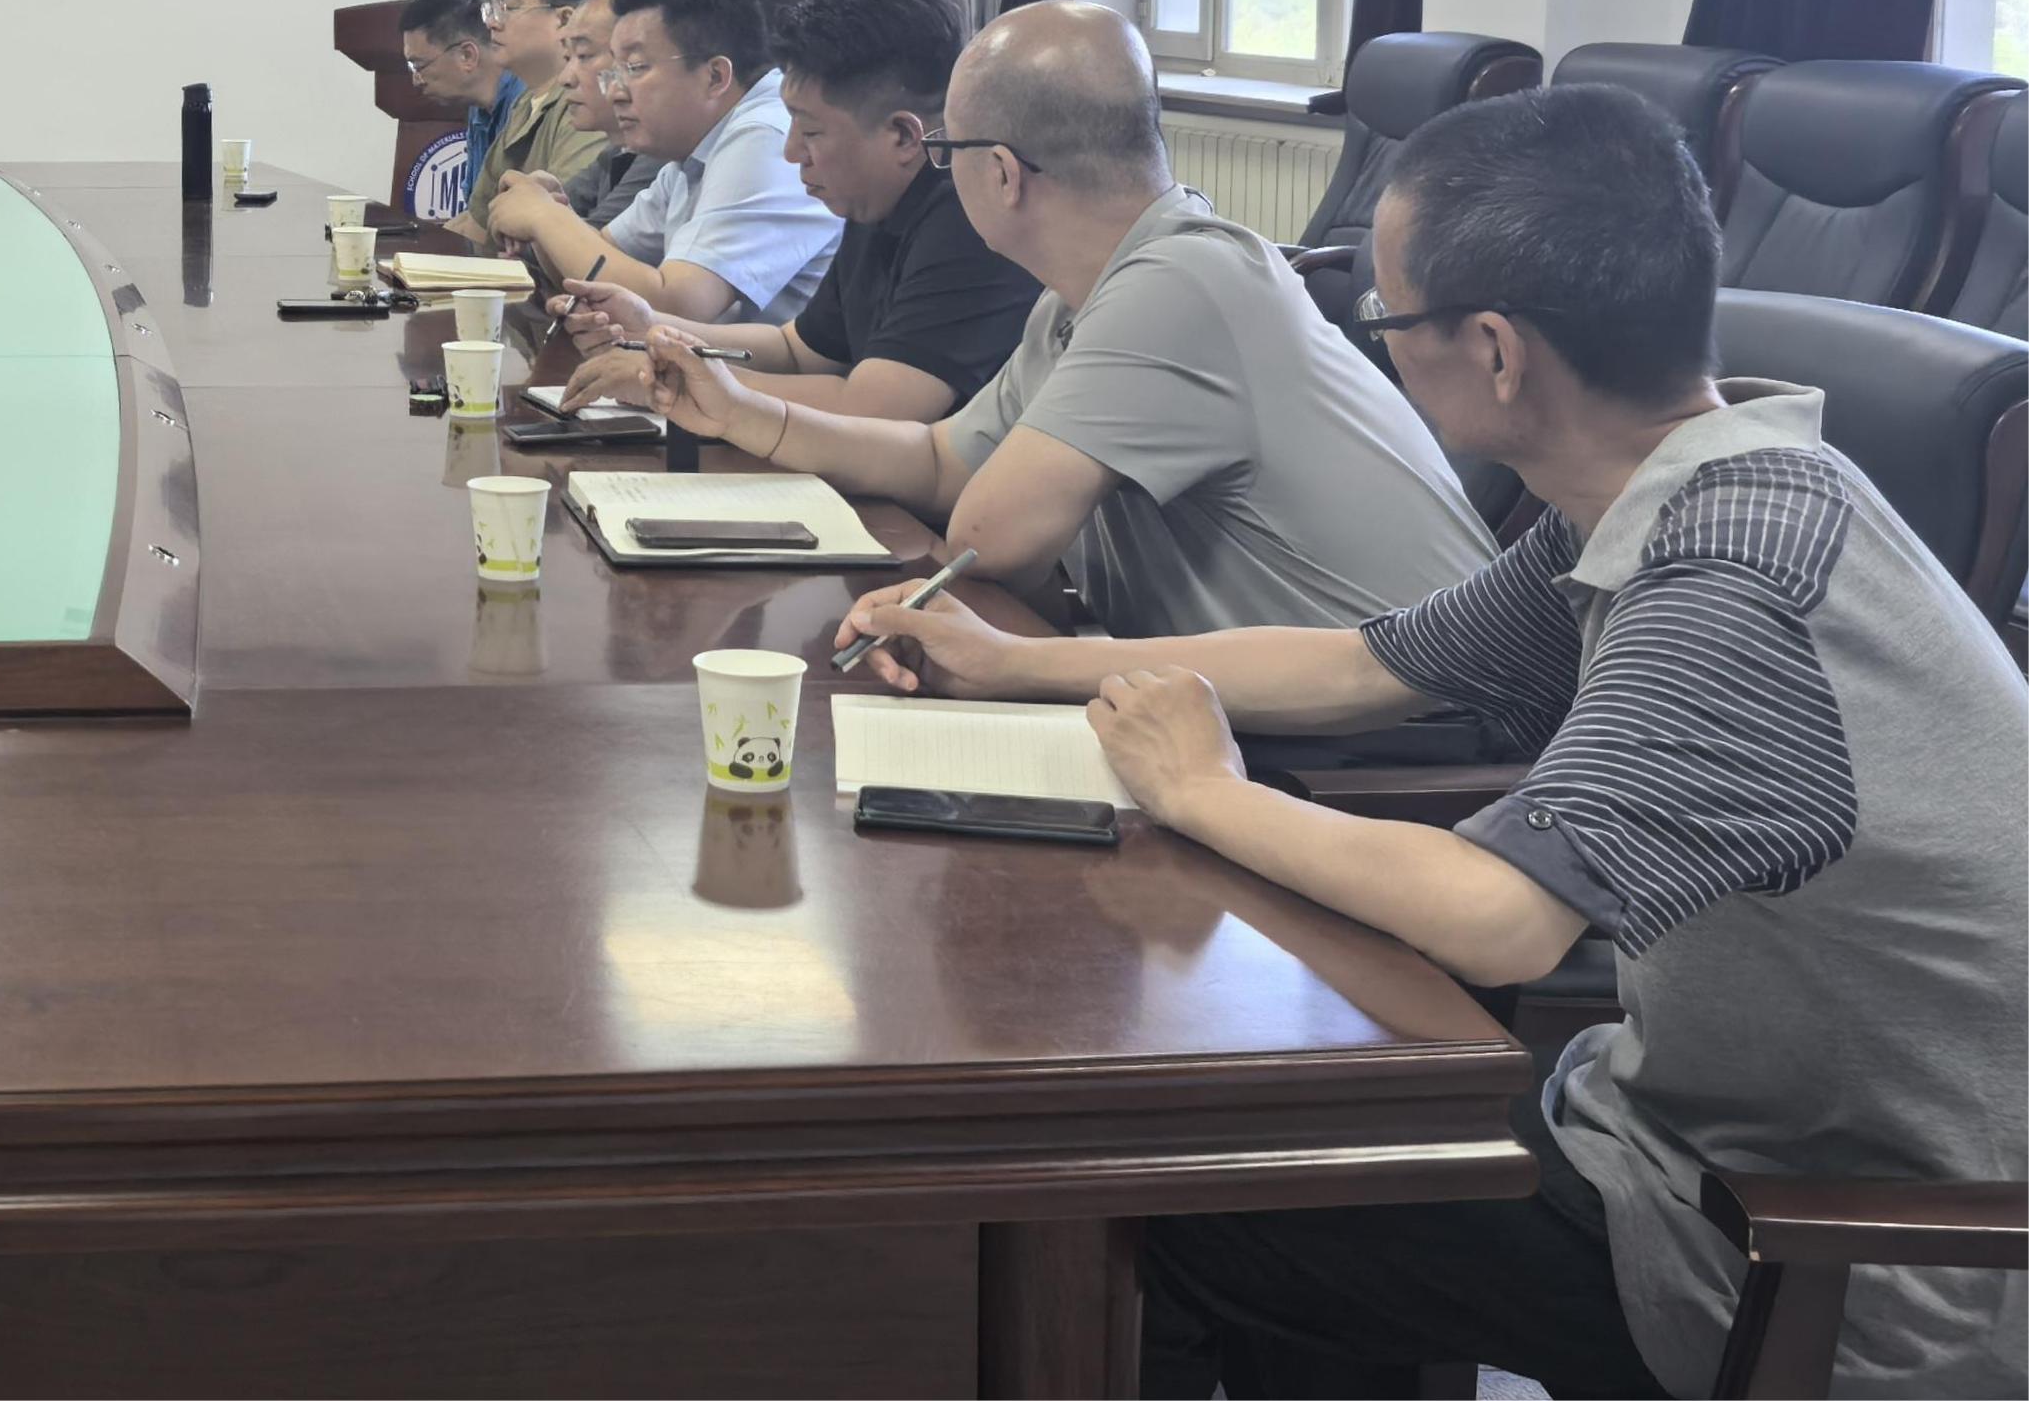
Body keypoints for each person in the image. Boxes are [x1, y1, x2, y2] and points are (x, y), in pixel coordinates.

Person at [836, 85, 2027, 1399]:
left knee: (1158, 1195)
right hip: (1682, 1131)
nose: (1383, 349)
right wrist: (1011, 663)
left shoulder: (1728, 584)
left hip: (1834, 1261)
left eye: (1390, 321)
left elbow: (1499, 920)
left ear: (1496, 351)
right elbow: (1368, 661)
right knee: (1264, 1139)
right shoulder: (1692, 488)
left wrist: (1203, 789)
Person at [637, 0, 1489, 638]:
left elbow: (987, 535)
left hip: (1392, 740)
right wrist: (743, 413)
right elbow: (940, 460)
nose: (940, 175)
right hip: (1260, 712)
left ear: (1001, 173)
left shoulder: (1181, 283)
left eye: (946, 154)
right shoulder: (1086, 294)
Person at [554, 0, 1037, 425]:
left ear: (903, 136)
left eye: (811, 132)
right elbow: (797, 351)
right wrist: (649, 327)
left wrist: (679, 379)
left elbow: (875, 406)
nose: (791, 153)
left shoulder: (969, 216)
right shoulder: (876, 203)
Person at [480, 0, 840, 326]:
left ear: (715, 76)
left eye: (635, 68)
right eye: (614, 71)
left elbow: (677, 305)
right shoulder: (690, 151)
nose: (615, 92)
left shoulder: (765, 138)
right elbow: (594, 271)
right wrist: (549, 220)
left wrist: (546, 217)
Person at [446, 0, 612, 243]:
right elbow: (478, 223)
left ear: (565, 20)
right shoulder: (525, 103)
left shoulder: (588, 106)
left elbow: (551, 227)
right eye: (492, 8)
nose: (492, 23)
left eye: (508, 7)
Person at [552, 0, 661, 228]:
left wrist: (535, 214)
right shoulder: (615, 151)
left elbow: (589, 245)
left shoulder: (661, 156)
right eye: (567, 58)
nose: (565, 78)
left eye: (583, 56)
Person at [393, 0, 505, 205]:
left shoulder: (529, 107)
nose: (416, 80)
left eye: (419, 65)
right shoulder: (479, 110)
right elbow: (477, 213)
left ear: (467, 56)